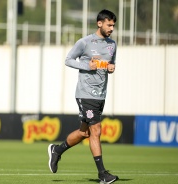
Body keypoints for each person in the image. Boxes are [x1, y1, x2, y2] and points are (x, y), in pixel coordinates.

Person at [48, 9, 118, 184]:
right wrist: (88, 65)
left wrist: (111, 67)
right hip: (85, 93)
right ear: (99, 23)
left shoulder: (112, 45)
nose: (111, 28)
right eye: (109, 25)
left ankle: (57, 150)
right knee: (96, 131)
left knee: (84, 132)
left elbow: (111, 64)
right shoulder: (85, 42)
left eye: (113, 25)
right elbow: (68, 60)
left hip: (101, 94)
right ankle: (102, 174)